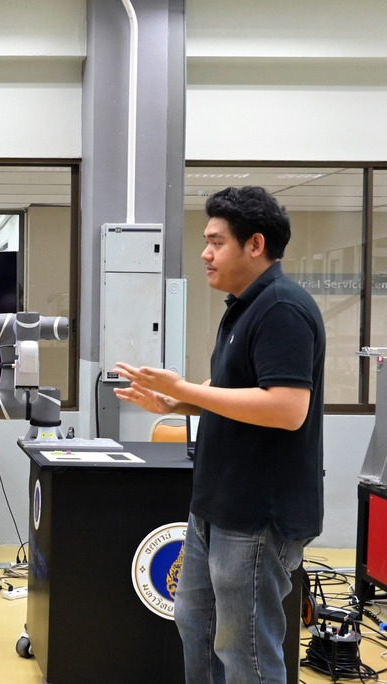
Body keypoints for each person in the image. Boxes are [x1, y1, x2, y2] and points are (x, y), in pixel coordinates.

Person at [113, 186, 325, 684]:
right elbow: (231, 389)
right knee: (197, 625)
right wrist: (174, 402)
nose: (205, 254)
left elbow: (287, 408)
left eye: (216, 242)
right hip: (216, 507)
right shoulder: (244, 306)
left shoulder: (282, 308)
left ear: (255, 244)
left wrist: (186, 389)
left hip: (255, 517)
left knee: (245, 651)